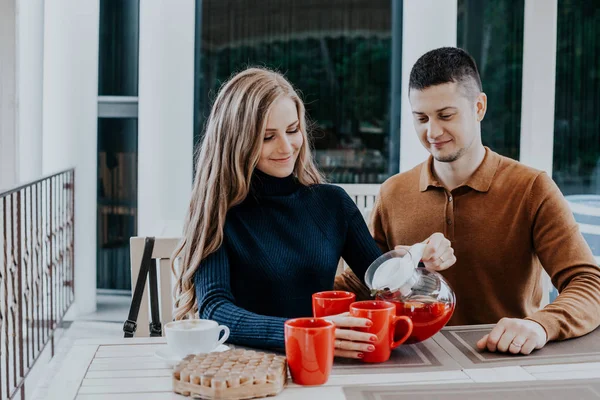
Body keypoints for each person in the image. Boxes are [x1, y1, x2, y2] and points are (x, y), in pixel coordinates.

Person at [171, 67, 455, 359]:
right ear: (237, 141)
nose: (286, 147)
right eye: (268, 137)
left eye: (293, 130)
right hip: (246, 368)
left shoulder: (333, 204)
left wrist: (414, 262)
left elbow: (381, 286)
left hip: (322, 363)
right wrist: (304, 331)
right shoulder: (219, 213)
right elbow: (216, 311)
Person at [339, 47, 600, 355]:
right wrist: (401, 261)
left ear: (479, 107)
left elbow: (588, 284)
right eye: (421, 118)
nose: (432, 131)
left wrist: (541, 325)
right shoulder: (392, 193)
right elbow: (354, 290)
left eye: (446, 115)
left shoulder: (533, 188)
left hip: (507, 358)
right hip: (410, 359)